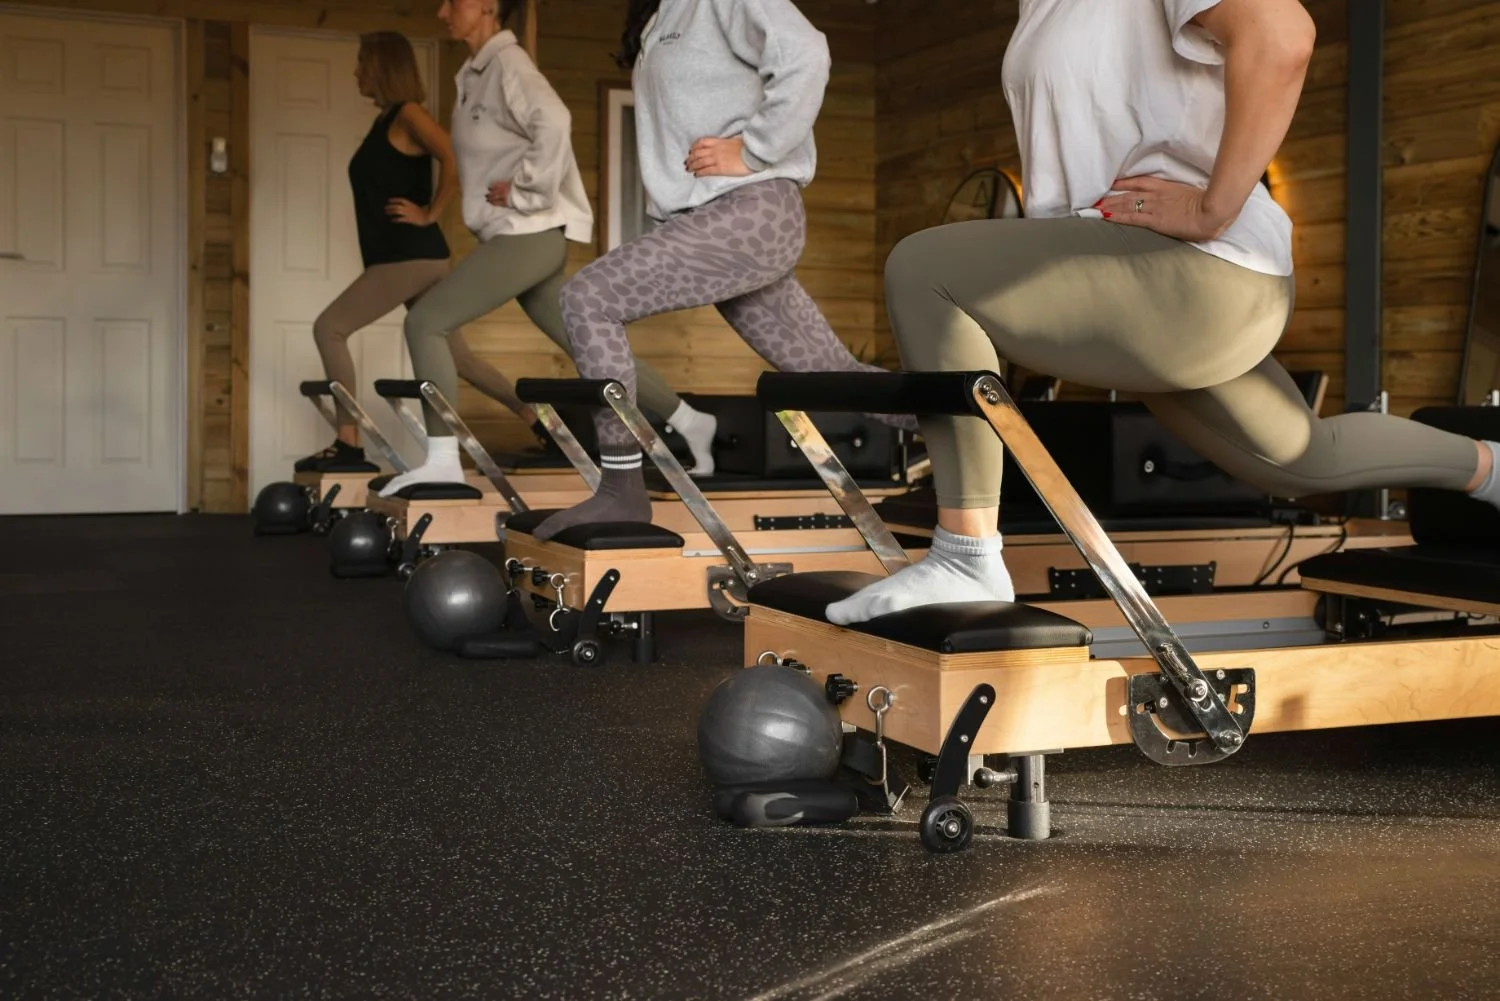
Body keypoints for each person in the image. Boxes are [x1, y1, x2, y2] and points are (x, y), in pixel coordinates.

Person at [825, 0, 1500, 625]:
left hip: (1196, 279)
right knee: (1302, 458)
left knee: (925, 269)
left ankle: (966, 559)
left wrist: (1214, 207)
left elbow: (1282, 36)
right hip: (1143, 277)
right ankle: (1492, 465)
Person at [528, 0, 913, 540]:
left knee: (587, 298)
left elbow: (806, 52)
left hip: (751, 213)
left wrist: (755, 152)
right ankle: (980, 437)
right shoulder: (661, 16)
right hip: (719, 220)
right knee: (832, 378)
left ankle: (621, 489)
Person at [378, 0, 720, 496]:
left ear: (488, 7)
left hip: (530, 232)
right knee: (589, 347)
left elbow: (555, 122)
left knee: (425, 321)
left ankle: (443, 458)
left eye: (453, 1)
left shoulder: (509, 65)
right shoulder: (476, 73)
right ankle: (690, 420)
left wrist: (524, 190)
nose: (441, 11)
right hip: (517, 234)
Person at [299, 31, 544, 473]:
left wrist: (432, 212)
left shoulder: (408, 114)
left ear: (383, 66)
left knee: (329, 328)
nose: (356, 71)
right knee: (460, 358)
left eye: (362, 62)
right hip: (414, 257)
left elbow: (452, 153)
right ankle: (541, 422)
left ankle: (348, 442)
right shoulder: (386, 120)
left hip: (407, 256)